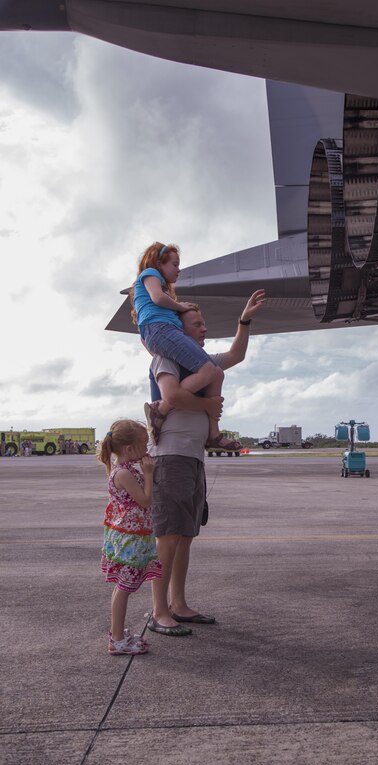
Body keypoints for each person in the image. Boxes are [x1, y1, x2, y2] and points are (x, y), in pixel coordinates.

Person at [147, 290, 266, 636]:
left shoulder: (203, 361)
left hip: (192, 457)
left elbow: (237, 354)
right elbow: (171, 396)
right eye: (197, 324)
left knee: (185, 535)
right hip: (170, 457)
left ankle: (179, 604)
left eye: (204, 323)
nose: (204, 328)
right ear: (177, 330)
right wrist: (209, 409)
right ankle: (158, 612)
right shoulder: (165, 357)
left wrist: (244, 320)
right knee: (168, 537)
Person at [129, 241, 241, 452]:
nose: (178, 270)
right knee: (207, 369)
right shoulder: (150, 274)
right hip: (162, 329)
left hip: (164, 331)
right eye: (175, 264)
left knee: (216, 373)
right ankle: (160, 410)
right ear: (159, 263)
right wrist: (179, 306)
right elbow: (157, 297)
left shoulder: (159, 288)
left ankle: (213, 434)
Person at [97, 420, 162, 655]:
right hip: (129, 539)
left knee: (122, 587)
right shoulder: (124, 473)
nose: (147, 450)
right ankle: (116, 640)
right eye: (144, 445)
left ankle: (117, 632)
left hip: (130, 535)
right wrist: (148, 473)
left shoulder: (123, 470)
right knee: (124, 588)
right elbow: (145, 500)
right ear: (129, 449)